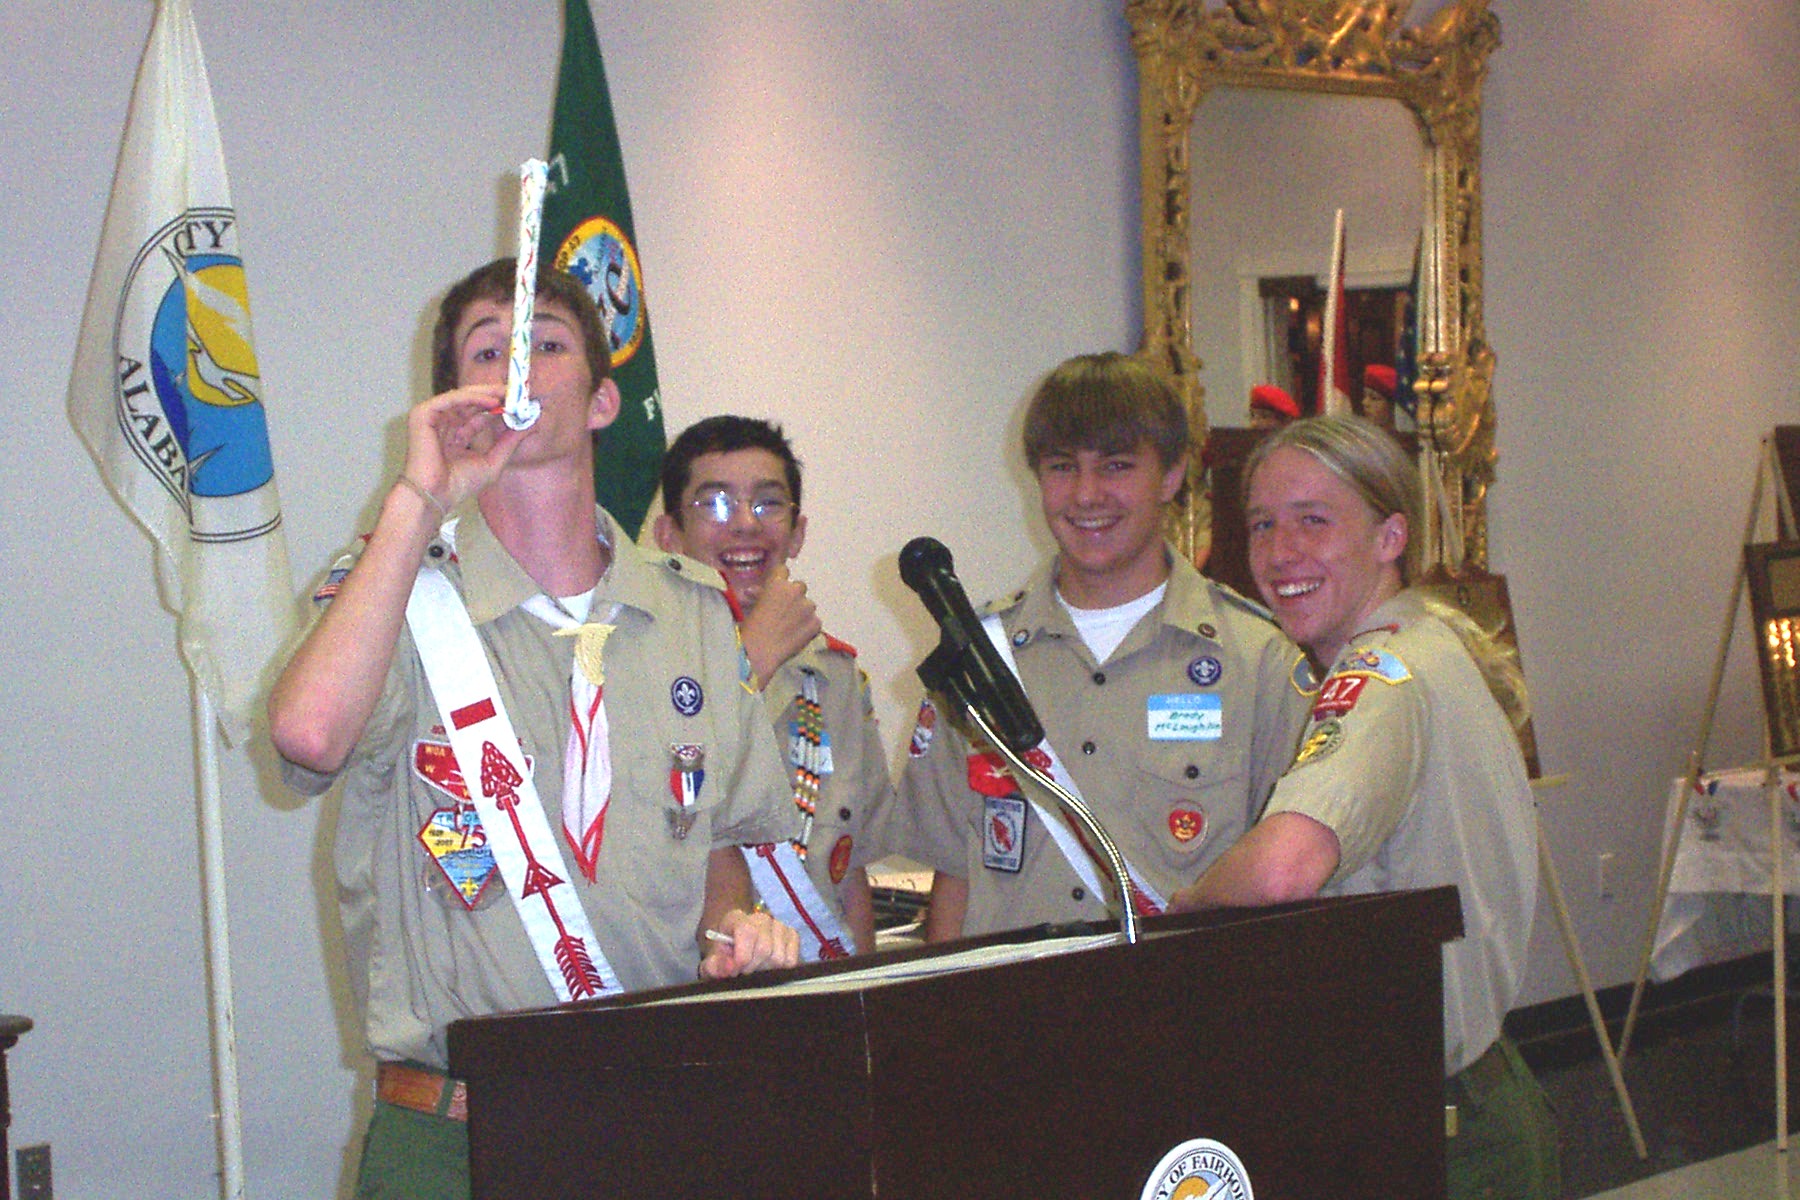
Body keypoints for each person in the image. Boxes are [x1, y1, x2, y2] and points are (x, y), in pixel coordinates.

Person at [267, 259, 800, 1200]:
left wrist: (733, 927)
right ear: (455, 402)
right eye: (489, 351)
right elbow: (308, 736)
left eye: (545, 344)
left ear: (602, 400)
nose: (517, 365)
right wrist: (420, 495)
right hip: (457, 1139)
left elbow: (714, 842)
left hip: (654, 1121)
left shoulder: (689, 611)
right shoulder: (398, 592)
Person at [1166, 414, 1559, 1200]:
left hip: (1436, 1130)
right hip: (1469, 1096)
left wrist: (1181, 911)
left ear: (1390, 537)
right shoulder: (1430, 646)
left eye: (1314, 520)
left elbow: (1282, 869)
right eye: (1262, 524)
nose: (1280, 552)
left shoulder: (1379, 678)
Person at [895, 351, 1310, 942]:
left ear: (1171, 475)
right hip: (1012, 999)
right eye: (1063, 467)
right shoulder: (976, 658)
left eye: (1116, 466)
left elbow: (1292, 888)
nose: (1087, 495)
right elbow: (954, 879)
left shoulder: (1256, 660)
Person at [653, 415, 894, 955]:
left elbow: (849, 871)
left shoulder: (833, 678)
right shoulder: (635, 667)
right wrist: (749, 663)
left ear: (797, 531)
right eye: (715, 503)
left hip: (818, 978)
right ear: (669, 535)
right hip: (699, 976)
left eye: (767, 503)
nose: (745, 524)